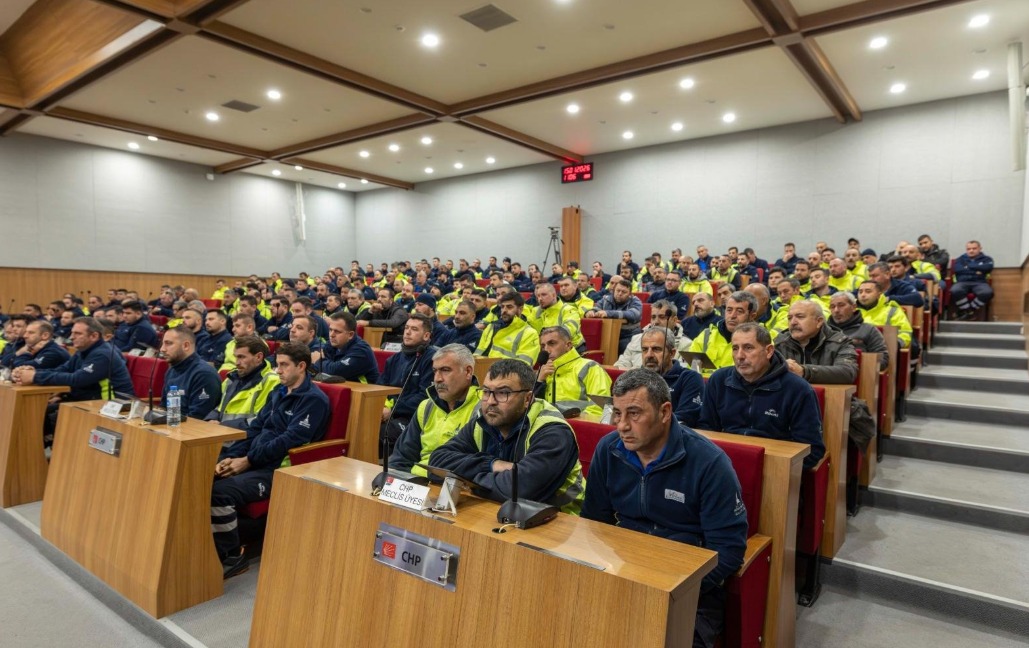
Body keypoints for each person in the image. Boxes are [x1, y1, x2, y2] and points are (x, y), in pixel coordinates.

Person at [581, 369, 747, 648]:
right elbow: (594, 522)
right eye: (617, 413)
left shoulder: (709, 463)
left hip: (690, 590)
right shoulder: (608, 449)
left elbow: (728, 551)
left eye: (634, 413)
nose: (622, 425)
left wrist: (673, 592)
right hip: (623, 572)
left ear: (665, 411)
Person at [212, 342, 330, 578]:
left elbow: (288, 441)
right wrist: (231, 457)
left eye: (284, 365)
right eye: (277, 365)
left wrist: (248, 460)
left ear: (302, 366)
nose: (278, 370)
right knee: (206, 476)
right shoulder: (278, 392)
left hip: (281, 469)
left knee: (219, 492)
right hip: (255, 461)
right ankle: (207, 549)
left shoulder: (314, 400)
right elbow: (256, 428)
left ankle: (233, 556)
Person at [429, 359, 585, 514]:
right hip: (496, 510)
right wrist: (491, 464)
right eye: (486, 391)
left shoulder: (553, 431)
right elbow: (436, 463)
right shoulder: (484, 421)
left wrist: (465, 479)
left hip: (560, 520)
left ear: (527, 399)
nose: (490, 401)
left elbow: (518, 491)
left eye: (503, 393)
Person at [699, 323, 825, 469]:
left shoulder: (798, 389)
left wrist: (774, 469)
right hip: (724, 464)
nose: (739, 356)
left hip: (775, 470)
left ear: (769, 351)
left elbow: (812, 450)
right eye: (735, 348)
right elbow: (705, 430)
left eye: (748, 348)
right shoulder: (718, 380)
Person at [12, 317, 134, 442]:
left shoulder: (103, 354)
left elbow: (77, 379)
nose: (71, 337)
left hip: (112, 404)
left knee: (47, 415)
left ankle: (50, 450)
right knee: (37, 411)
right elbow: (62, 369)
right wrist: (33, 372)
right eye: (72, 333)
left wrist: (35, 377)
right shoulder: (83, 351)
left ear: (94, 336)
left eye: (77, 333)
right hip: (90, 400)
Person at [389, 344, 481, 478]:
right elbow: (401, 457)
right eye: (435, 371)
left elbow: (477, 467)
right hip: (416, 483)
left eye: (445, 370)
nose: (437, 379)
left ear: (468, 372)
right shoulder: (426, 406)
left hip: (456, 488)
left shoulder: (484, 408)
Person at [378, 314, 438, 456]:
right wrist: (382, 407)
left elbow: (425, 397)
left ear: (426, 336)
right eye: (406, 328)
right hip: (389, 414)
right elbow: (380, 389)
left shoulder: (433, 360)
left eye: (414, 329)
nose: (408, 332)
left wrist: (391, 408)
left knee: (380, 432)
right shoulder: (393, 359)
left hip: (413, 419)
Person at [206, 335, 280, 429]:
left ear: (258, 357)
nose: (237, 362)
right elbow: (219, 408)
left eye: (242, 357)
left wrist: (223, 426)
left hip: (247, 438)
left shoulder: (273, 381)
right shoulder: (231, 379)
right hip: (223, 435)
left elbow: (262, 420)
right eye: (236, 357)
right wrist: (209, 420)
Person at [774, 300, 858, 383]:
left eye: (800, 317)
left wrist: (804, 371)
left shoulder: (840, 341)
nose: (793, 322)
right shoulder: (781, 342)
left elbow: (848, 373)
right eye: (789, 318)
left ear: (819, 321)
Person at [536, 326, 611, 417]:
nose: (546, 350)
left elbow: (600, 408)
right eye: (543, 346)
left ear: (568, 345)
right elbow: (531, 408)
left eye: (552, 343)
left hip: (580, 427)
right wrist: (539, 382)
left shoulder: (590, 367)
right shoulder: (542, 372)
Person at [639, 327, 705, 427]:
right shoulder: (634, 378)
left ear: (672, 353)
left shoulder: (690, 379)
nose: (649, 355)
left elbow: (685, 419)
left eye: (656, 349)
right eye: (644, 349)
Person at [160, 327, 222, 420]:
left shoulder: (204, 374)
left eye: (168, 343)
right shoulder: (172, 370)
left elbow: (197, 418)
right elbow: (164, 407)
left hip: (193, 430)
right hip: (172, 425)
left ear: (186, 346)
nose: (162, 349)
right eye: (163, 344)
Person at [688, 291, 758, 373]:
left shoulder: (760, 339)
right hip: (704, 384)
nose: (732, 316)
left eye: (739, 311)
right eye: (729, 310)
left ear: (752, 316)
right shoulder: (706, 335)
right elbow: (692, 370)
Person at [615, 299, 691, 368]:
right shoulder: (636, 339)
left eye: (662, 317)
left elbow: (680, 373)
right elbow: (621, 365)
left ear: (674, 320)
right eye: (653, 317)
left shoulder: (686, 344)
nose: (656, 322)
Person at [474, 291, 541, 366]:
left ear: (520, 309)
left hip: (508, 376)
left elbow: (523, 367)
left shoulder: (530, 333)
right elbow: (478, 354)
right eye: (502, 307)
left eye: (509, 307)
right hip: (483, 372)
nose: (504, 310)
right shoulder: (491, 327)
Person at [827, 292, 889, 370]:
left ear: (853, 307)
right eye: (832, 307)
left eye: (841, 305)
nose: (836, 310)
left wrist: (856, 365)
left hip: (860, 375)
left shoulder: (869, 330)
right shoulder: (823, 331)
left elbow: (883, 359)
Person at [313, 311, 379, 383]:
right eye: (330, 330)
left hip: (363, 390)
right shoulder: (332, 344)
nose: (331, 335)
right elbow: (318, 369)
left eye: (337, 331)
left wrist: (317, 361)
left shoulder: (361, 351)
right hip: (340, 387)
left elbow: (335, 372)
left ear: (350, 335)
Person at [586, 280, 642, 354]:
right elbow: (597, 308)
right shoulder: (606, 299)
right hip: (606, 334)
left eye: (624, 292)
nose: (620, 294)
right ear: (613, 291)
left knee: (622, 346)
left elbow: (633, 314)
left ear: (630, 294)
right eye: (618, 290)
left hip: (628, 335)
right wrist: (591, 312)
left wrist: (608, 313)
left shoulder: (635, 301)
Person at [529, 282, 586, 352]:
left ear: (553, 295)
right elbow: (527, 330)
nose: (540, 299)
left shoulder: (568, 310)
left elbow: (568, 331)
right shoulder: (535, 311)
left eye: (544, 295)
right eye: (538, 296)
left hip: (571, 350)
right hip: (546, 350)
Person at [857, 280, 914, 349]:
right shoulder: (852, 311)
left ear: (879, 294)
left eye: (868, 291)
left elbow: (905, 332)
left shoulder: (892, 311)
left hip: (884, 350)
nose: (863, 295)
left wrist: (895, 344)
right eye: (860, 292)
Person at [950, 240, 994, 319]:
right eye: (969, 249)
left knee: (988, 292)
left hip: (980, 282)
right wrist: (977, 269)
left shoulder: (987, 259)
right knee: (955, 290)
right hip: (962, 282)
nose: (971, 251)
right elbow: (958, 270)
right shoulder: (960, 259)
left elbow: (988, 267)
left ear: (980, 248)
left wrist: (968, 266)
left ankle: (968, 311)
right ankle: (969, 311)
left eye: (974, 248)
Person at [5, 320, 70, 370]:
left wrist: (29, 352)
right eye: (25, 332)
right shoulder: (33, 346)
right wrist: (22, 351)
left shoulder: (53, 352)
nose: (25, 336)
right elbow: (4, 363)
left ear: (45, 335)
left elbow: (20, 367)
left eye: (31, 333)